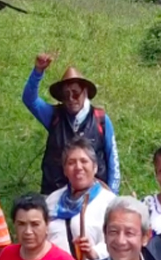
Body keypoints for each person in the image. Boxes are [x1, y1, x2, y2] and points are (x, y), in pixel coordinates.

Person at [23, 54, 120, 195]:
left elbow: (113, 160)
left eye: (75, 93)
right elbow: (29, 99)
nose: (71, 99)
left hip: (93, 195)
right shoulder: (54, 115)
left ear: (85, 92)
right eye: (65, 95)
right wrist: (38, 71)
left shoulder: (101, 119)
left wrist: (112, 195)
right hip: (54, 193)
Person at [45, 137, 118, 260]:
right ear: (65, 170)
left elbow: (118, 241)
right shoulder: (52, 201)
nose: (78, 167)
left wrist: (93, 252)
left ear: (95, 167)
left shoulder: (110, 203)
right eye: (71, 162)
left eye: (84, 161)